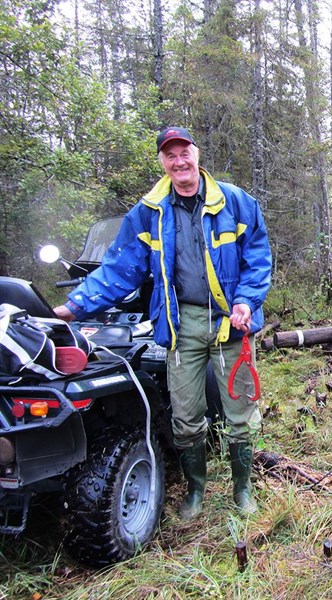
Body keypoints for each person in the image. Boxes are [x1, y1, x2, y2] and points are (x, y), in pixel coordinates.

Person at [53, 126, 272, 518]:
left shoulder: (237, 203)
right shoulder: (149, 212)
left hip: (231, 321)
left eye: (184, 152)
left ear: (197, 154)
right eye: (170, 155)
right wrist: (71, 308)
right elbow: (119, 269)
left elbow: (258, 259)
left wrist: (246, 301)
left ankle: (242, 490)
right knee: (185, 417)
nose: (179, 161)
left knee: (240, 413)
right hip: (180, 321)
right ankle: (195, 493)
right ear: (162, 162)